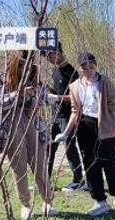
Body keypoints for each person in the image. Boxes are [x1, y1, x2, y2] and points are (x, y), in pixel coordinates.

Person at [56, 52, 115, 216]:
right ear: (80, 68)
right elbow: (75, 111)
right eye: (84, 67)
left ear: (95, 66)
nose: (88, 70)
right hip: (84, 128)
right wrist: (65, 132)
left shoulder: (104, 82)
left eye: (91, 67)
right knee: (90, 165)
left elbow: (113, 108)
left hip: (103, 127)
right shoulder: (75, 86)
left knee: (110, 163)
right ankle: (99, 201)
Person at [0, 51, 58, 220]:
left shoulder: (34, 74)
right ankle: (25, 204)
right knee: (19, 166)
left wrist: (37, 90)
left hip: (32, 121)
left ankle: (47, 201)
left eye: (29, 62)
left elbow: (43, 100)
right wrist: (19, 94)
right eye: (22, 63)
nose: (26, 67)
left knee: (40, 163)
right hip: (11, 123)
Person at [41, 41, 85, 192]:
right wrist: (47, 90)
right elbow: (57, 91)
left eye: (50, 57)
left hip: (68, 116)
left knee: (69, 147)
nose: (49, 60)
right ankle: (45, 181)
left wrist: (58, 97)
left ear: (58, 53)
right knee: (49, 147)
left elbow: (76, 97)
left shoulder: (71, 72)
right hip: (55, 116)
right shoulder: (55, 71)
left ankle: (79, 181)